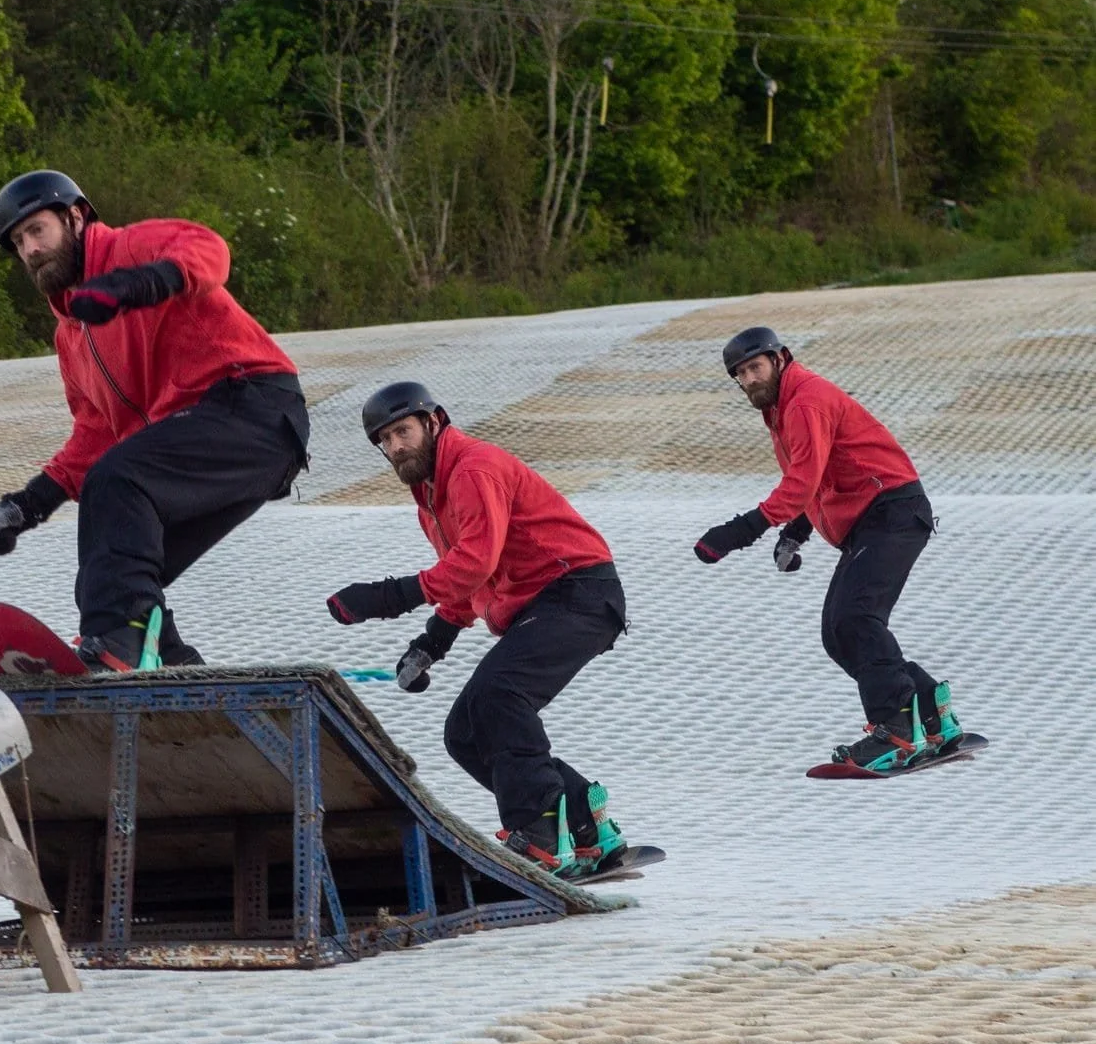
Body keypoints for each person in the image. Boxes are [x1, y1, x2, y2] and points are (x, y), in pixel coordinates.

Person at [0, 170, 310, 668]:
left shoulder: (132, 247)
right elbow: (97, 433)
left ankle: (118, 646)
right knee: (102, 576)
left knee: (119, 484)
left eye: (37, 231)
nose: (31, 250)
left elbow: (209, 250)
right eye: (19, 243)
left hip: (252, 407)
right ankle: (174, 674)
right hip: (205, 443)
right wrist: (28, 505)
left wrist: (141, 282)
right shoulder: (71, 335)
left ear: (76, 217)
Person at [326, 383, 631, 878]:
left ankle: (537, 835)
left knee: (500, 697)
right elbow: (470, 580)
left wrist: (384, 597)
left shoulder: (472, 469)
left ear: (434, 422)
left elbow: (473, 563)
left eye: (403, 431)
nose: (396, 447)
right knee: (465, 733)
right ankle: (587, 828)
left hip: (577, 592)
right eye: (385, 441)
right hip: (548, 603)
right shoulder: (431, 498)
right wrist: (431, 643)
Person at [694, 326, 960, 772]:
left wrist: (740, 531)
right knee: (838, 633)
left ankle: (896, 729)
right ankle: (931, 713)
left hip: (891, 513)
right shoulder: (783, 407)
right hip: (873, 520)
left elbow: (799, 482)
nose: (749, 380)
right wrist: (796, 532)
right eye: (740, 375)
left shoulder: (805, 402)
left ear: (780, 359)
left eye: (755, 367)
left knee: (856, 620)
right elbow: (816, 478)